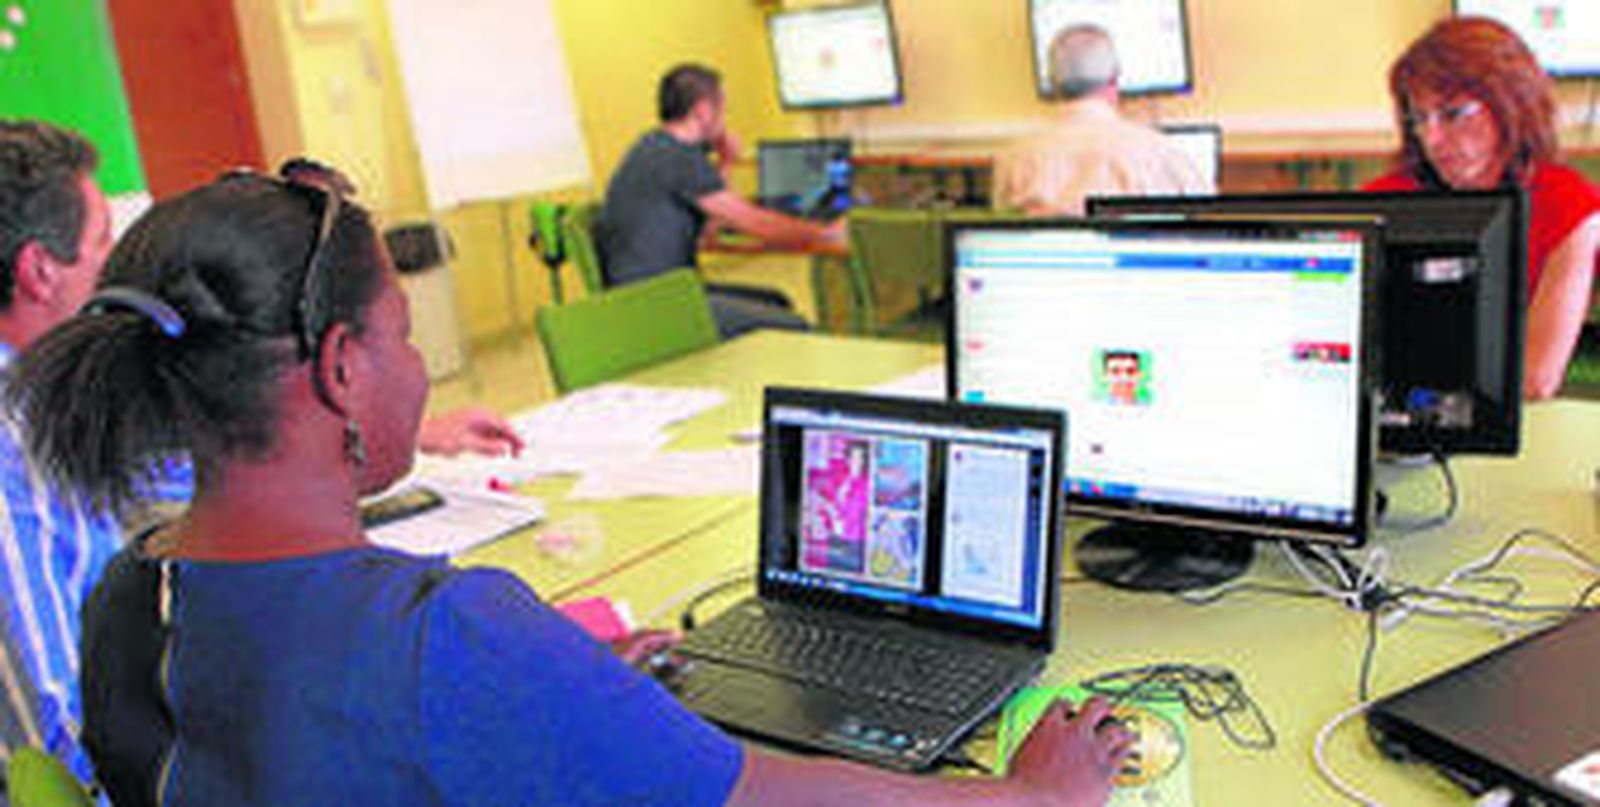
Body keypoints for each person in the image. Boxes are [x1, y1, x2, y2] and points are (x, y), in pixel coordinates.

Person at [7, 170, 1131, 806]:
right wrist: (1034, 795)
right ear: (343, 368)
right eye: (404, 336)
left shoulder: (124, 595)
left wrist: (567, 691)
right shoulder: (449, 640)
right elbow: (778, 802)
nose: (419, 367)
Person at [0, 121, 517, 787]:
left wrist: (393, 427)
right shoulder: (13, 458)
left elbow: (207, 458)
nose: (120, 264)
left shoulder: (58, 402)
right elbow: (56, 745)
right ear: (41, 270)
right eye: (104, 239)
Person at [1365, 17, 1600, 400]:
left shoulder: (1570, 205)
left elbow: (1536, 378)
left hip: (1507, 424)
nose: (1432, 139)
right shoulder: (1388, 202)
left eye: (1452, 113)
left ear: (1510, 102)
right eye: (1419, 119)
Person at [598, 64, 845, 339]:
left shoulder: (656, 145)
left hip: (659, 292)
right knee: (794, 326)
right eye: (722, 108)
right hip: (659, 304)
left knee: (775, 300)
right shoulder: (678, 158)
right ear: (703, 111)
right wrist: (826, 234)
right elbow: (754, 223)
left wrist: (726, 162)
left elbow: (709, 232)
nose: (724, 119)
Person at [992, 25, 1210, 216]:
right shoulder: (1161, 153)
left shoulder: (1012, 159)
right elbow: (1207, 215)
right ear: (1115, 77)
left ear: (1052, 82)